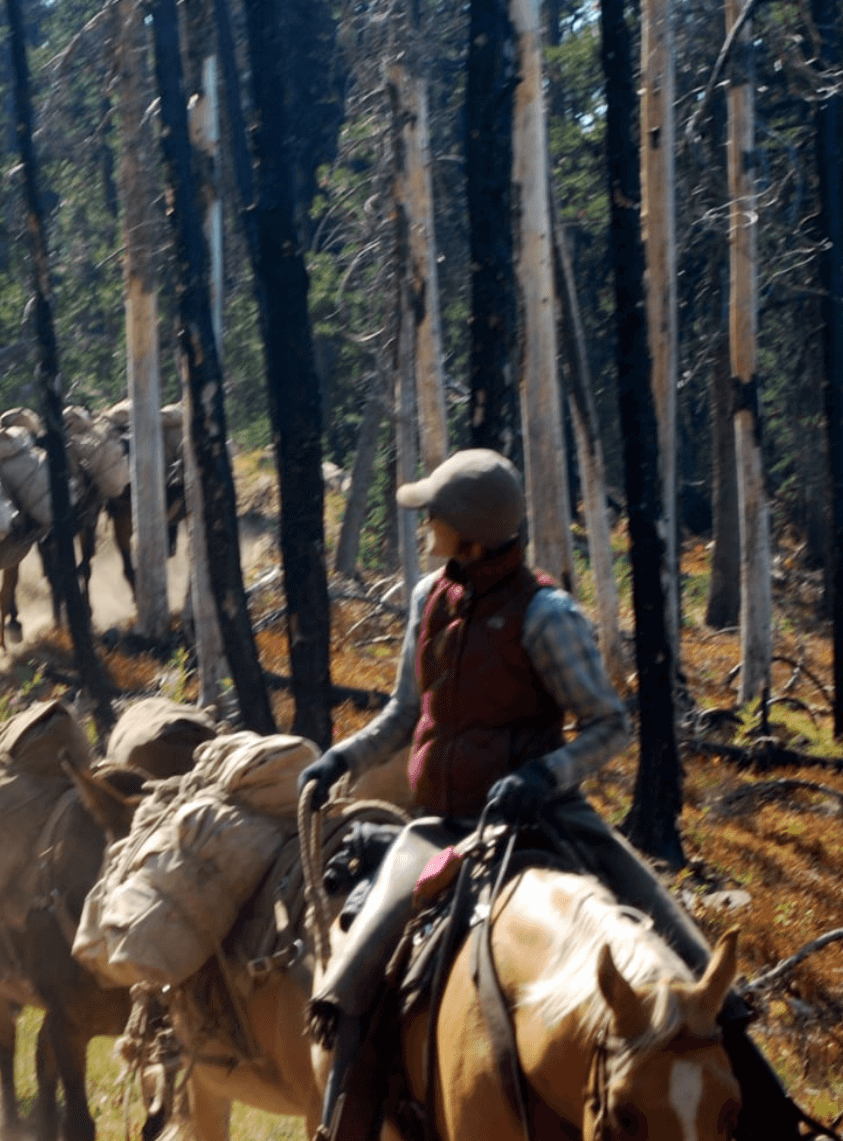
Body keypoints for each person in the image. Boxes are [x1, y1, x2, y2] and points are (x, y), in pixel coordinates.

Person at [299, 448, 733, 1123]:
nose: (427, 527)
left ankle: (766, 1115)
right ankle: (346, 1122)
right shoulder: (428, 598)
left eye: (435, 517)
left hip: (546, 820)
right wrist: (342, 760)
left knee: (694, 966)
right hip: (441, 826)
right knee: (353, 979)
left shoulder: (548, 616)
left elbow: (607, 725)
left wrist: (540, 776)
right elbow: (407, 714)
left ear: (467, 533)